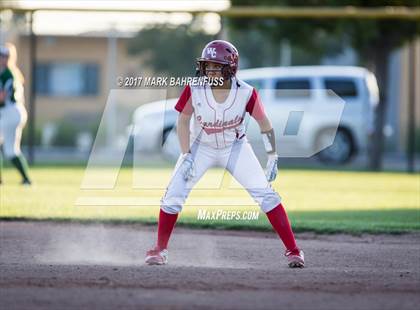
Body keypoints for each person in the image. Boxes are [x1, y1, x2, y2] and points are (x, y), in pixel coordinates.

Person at [145, 40, 304, 268]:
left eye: (215, 65)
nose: (209, 70)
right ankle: (159, 250)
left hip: (235, 148)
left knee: (267, 195)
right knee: (173, 195)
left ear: (230, 68)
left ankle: (294, 250)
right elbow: (182, 121)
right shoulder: (194, 88)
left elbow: (264, 123)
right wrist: (186, 154)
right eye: (207, 65)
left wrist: (272, 155)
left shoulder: (247, 92)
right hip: (201, 146)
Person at [0, 43, 32, 185]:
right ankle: (25, 179)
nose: (1, 58)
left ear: (9, 58)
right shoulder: (9, 72)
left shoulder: (8, 73)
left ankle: (26, 179)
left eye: (4, 56)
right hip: (13, 112)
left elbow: (2, 97)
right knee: (10, 149)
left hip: (10, 112)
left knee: (10, 151)